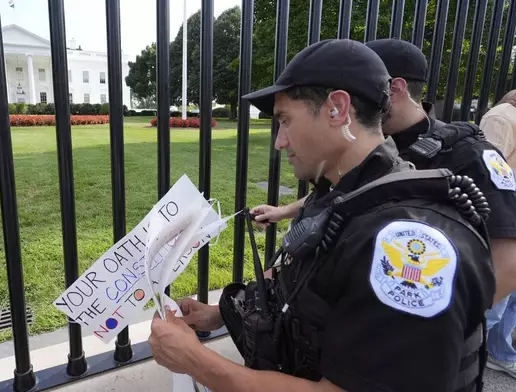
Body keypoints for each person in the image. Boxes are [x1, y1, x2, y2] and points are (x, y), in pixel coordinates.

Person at [148, 39, 495, 392]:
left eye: (285, 120)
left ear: (337, 109)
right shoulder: (341, 195)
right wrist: (216, 314)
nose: (279, 142)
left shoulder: (403, 242)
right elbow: (304, 293)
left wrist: (195, 360)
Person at [362, 38, 516, 304]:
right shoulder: (374, 143)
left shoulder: (471, 153)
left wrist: (437, 327)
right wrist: (288, 210)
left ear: (395, 89)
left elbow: (508, 264)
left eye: (360, 92)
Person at [478, 91, 516, 377]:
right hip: (504, 220)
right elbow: (488, 172)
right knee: (495, 303)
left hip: (509, 216)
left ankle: (499, 351)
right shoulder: (502, 118)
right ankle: (463, 357)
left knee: (509, 297)